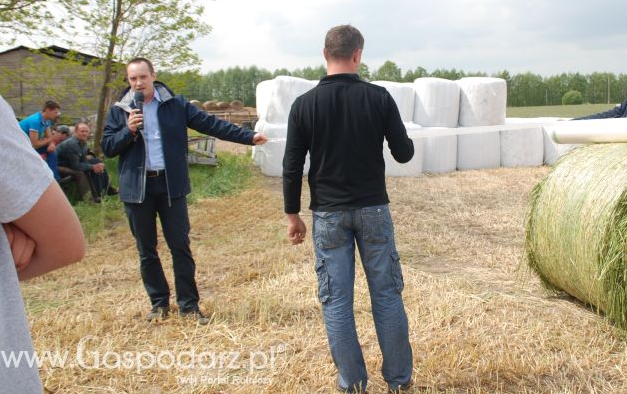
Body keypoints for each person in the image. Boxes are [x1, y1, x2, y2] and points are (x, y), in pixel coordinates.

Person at [283, 25, 414, 393]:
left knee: (336, 301)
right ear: (357, 54)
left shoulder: (304, 105)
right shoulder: (379, 97)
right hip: (373, 210)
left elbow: (292, 166)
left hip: (327, 214)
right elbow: (403, 153)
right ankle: (399, 383)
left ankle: (352, 384)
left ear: (325, 54)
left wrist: (292, 215)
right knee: (386, 295)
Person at [101, 57, 267, 325]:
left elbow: (211, 124)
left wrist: (247, 137)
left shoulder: (175, 105)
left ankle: (189, 305)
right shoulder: (120, 111)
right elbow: (107, 147)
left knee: (180, 246)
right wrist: (128, 131)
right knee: (147, 250)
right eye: (133, 79)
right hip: (137, 189)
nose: (138, 83)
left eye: (143, 77)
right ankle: (158, 304)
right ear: (129, 81)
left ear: (153, 75)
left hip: (170, 186)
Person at [0, 75, 85, 393]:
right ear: (50, 111)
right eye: (56, 114)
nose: (57, 118)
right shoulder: (34, 122)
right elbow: (64, 243)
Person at [56, 122, 116, 203]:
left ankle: (99, 194)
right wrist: (92, 167)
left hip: (69, 164)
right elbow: (76, 166)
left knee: (96, 163)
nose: (84, 133)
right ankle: (89, 199)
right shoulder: (72, 143)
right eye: (82, 131)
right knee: (81, 171)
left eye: (86, 131)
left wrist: (96, 166)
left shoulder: (83, 143)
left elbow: (83, 161)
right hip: (58, 167)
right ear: (76, 132)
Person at [18, 100, 66, 180]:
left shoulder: (46, 120)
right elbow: (35, 144)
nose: (57, 115)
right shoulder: (35, 121)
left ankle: (54, 178)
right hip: (21, 147)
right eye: (55, 112)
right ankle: (53, 179)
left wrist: (51, 144)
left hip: (29, 145)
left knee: (52, 151)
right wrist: (53, 138)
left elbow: (49, 136)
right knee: (48, 152)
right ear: (47, 110)